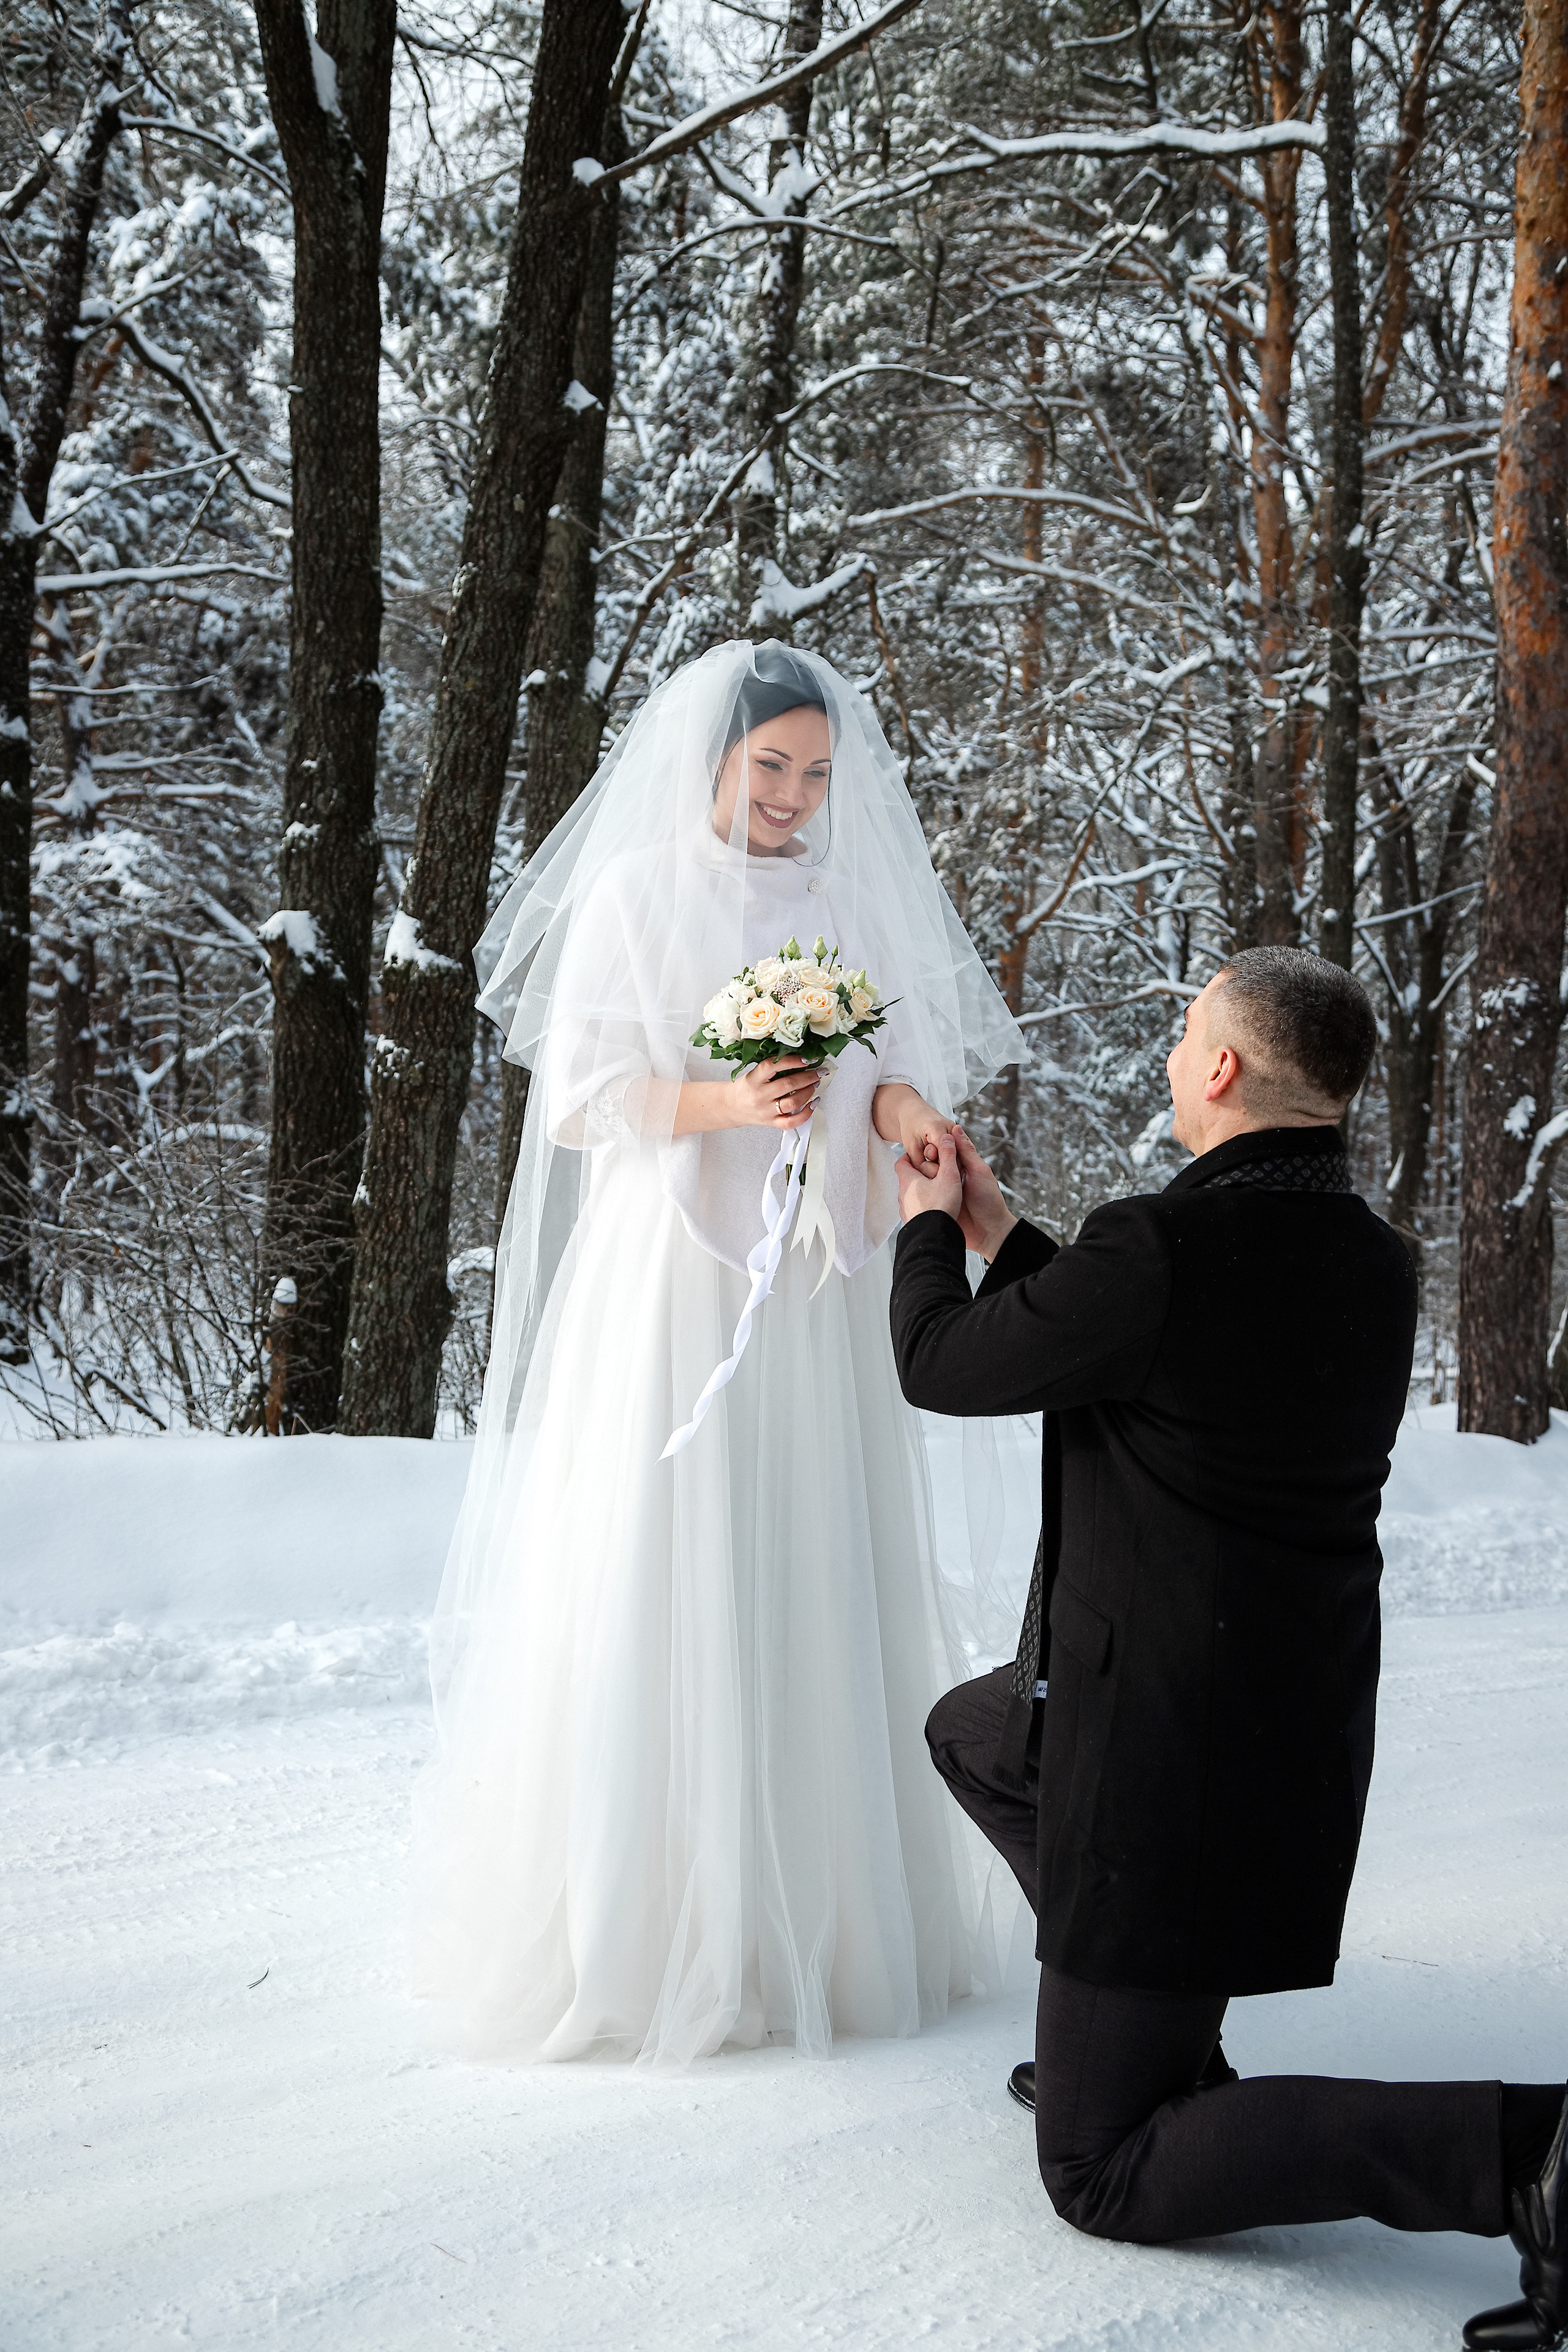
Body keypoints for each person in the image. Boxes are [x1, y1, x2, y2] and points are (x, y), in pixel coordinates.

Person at [890, 946, 1567, 2352]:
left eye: (1181, 1036)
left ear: (1215, 1068)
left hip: (1159, 1759)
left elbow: (945, 1366)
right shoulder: (1370, 1260)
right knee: (975, 1734)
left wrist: (923, 1229)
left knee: (1099, 2171)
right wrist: (1008, 1226)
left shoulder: (1162, 1248)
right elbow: (1132, 1352)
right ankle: (1163, 2040)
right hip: (1277, 1720)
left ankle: (1527, 2155)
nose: (1167, 1058)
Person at [409, 641, 1025, 2067]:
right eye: (771, 768)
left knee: (807, 1547)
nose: (795, 797)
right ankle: (659, 1917)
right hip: (674, 1276)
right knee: (664, 1550)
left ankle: (819, 1915)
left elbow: (876, 1068)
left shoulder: (845, 897)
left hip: (810, 1282)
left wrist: (901, 1123)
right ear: (710, 761)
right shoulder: (635, 895)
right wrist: (725, 1100)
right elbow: (578, 1097)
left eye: (816, 773)